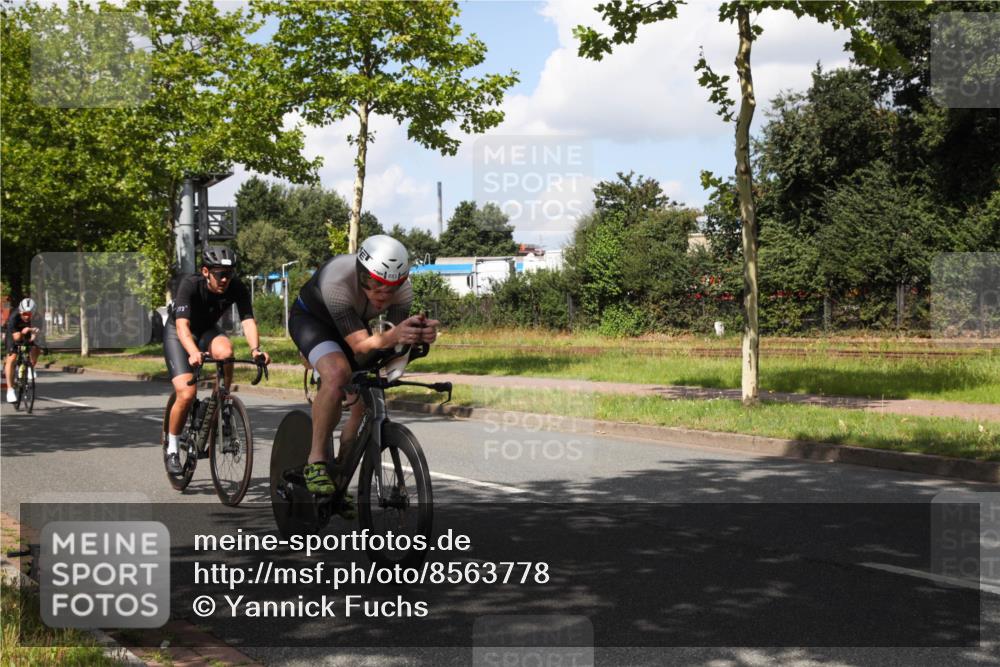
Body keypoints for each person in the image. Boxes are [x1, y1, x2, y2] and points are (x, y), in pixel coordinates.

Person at [290, 234, 439, 496]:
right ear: (360, 273)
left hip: (353, 325)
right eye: (373, 284)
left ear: (401, 282)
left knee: (362, 401)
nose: (382, 294)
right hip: (313, 323)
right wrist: (394, 336)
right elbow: (360, 345)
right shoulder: (337, 280)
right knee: (337, 374)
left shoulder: (403, 292)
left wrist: (419, 337)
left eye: (391, 287)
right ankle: (315, 462)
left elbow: (393, 341)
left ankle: (339, 480)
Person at [163, 246, 270, 474]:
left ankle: (221, 401)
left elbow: (248, 320)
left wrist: (256, 350)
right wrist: (192, 352)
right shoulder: (190, 285)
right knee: (186, 393)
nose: (225, 279)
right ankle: (171, 448)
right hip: (178, 332)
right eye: (220, 274)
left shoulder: (236, 287)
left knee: (226, 352)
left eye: (229, 274)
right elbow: (182, 326)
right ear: (205, 272)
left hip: (207, 330)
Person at [5, 298, 41, 402]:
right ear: (20, 311)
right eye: (24, 314)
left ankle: (30, 367)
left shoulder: (38, 318)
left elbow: (36, 337)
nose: (26, 316)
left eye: (29, 314)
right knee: (12, 357)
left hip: (29, 332)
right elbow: (16, 338)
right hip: (14, 334)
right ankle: (10, 390)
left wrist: (33, 337)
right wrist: (25, 331)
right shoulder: (14, 317)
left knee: (36, 347)